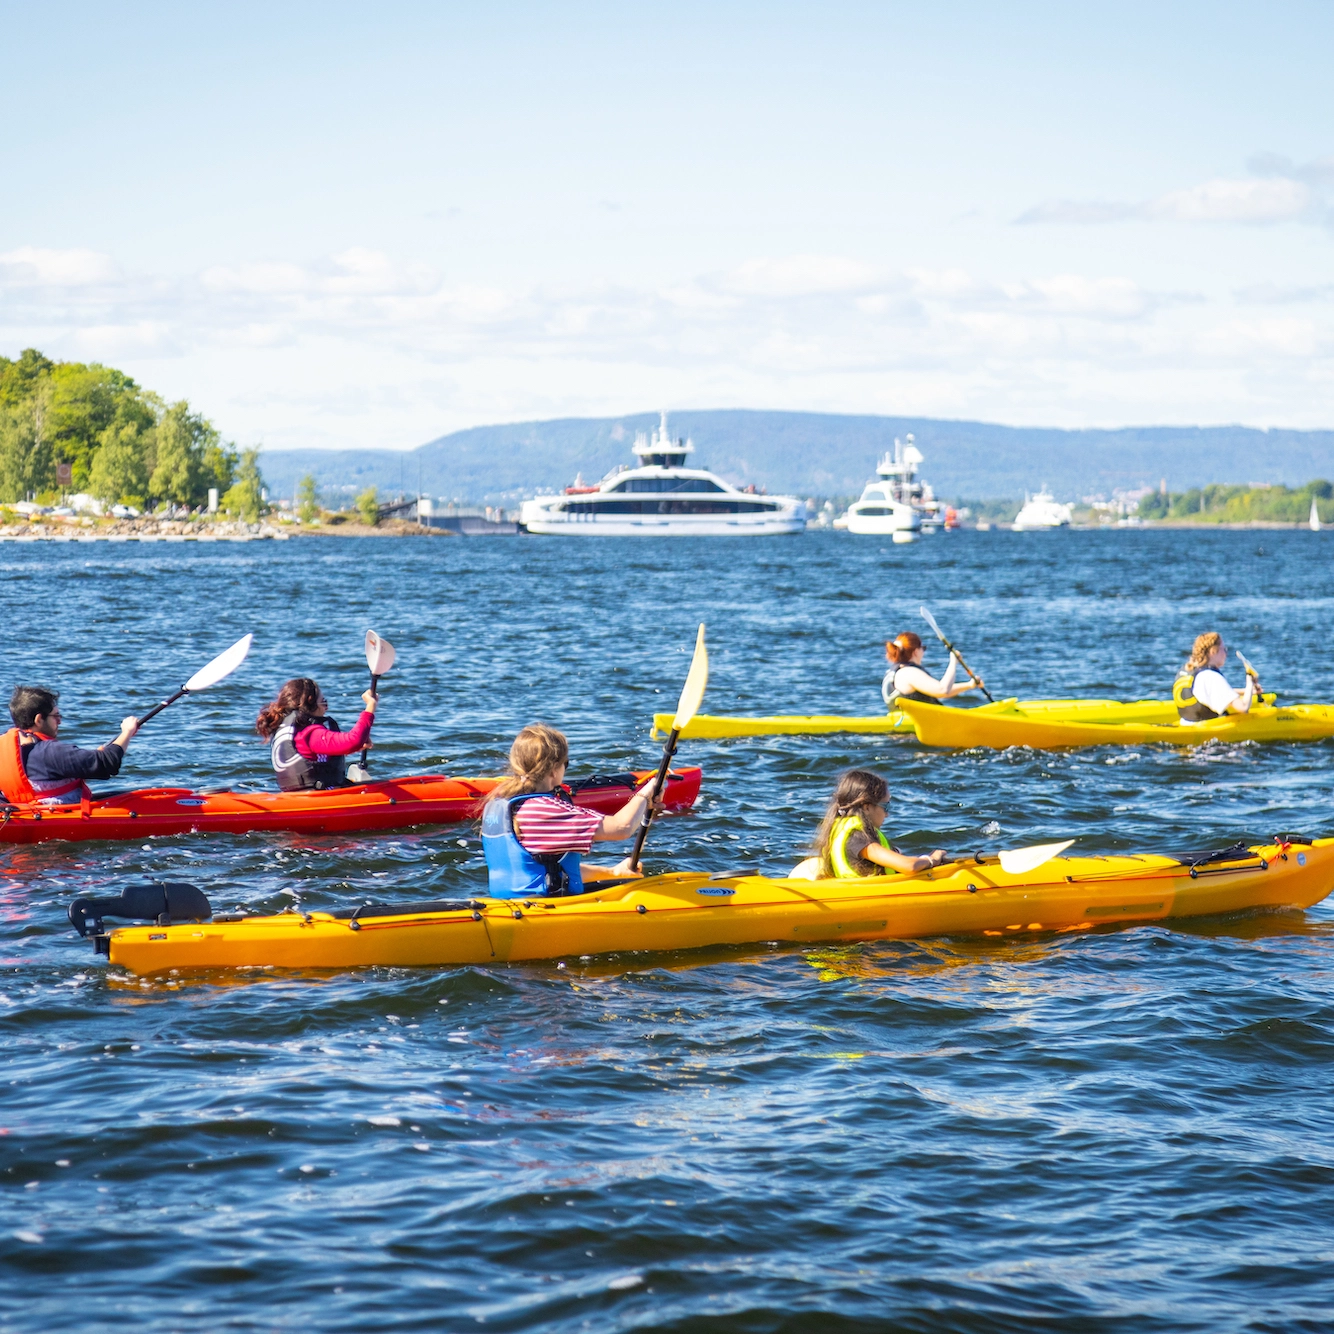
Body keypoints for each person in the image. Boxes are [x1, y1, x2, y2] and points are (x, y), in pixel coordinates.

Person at [481, 723, 662, 898]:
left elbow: (547, 869)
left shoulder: (499, 805)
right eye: (565, 764)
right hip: (544, 909)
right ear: (553, 770)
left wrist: (613, 873)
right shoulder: (545, 811)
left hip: (509, 905)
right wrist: (647, 792)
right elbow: (622, 827)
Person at [1, 686, 138, 806]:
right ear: (39, 720)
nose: (59, 721)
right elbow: (107, 763)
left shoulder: (7, 751)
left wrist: (85, 763)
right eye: (56, 716)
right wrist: (127, 732)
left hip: (27, 812)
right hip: (59, 816)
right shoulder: (50, 752)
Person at [813, 769, 948, 879]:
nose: (887, 814)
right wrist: (932, 859)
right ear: (867, 807)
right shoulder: (858, 837)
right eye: (885, 807)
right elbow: (909, 866)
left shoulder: (843, 829)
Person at [255, 677, 376, 791]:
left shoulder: (288, 730)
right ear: (310, 701)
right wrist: (371, 706)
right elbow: (354, 740)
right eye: (323, 702)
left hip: (298, 796)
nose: (326, 708)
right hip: (319, 797)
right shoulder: (309, 733)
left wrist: (355, 748)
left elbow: (314, 758)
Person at [1173, 632, 1261, 722]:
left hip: (1186, 723)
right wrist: (1249, 681)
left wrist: (1246, 691)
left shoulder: (1188, 669)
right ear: (1213, 651)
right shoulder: (1210, 676)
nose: (1226, 653)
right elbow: (1243, 707)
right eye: (1223, 649)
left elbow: (1212, 692)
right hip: (1207, 728)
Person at [882, 631, 982, 709]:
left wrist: (969, 685)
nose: (923, 652)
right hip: (917, 725)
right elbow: (943, 690)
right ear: (916, 651)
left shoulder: (898, 672)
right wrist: (953, 662)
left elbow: (938, 691)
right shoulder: (909, 673)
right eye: (923, 648)